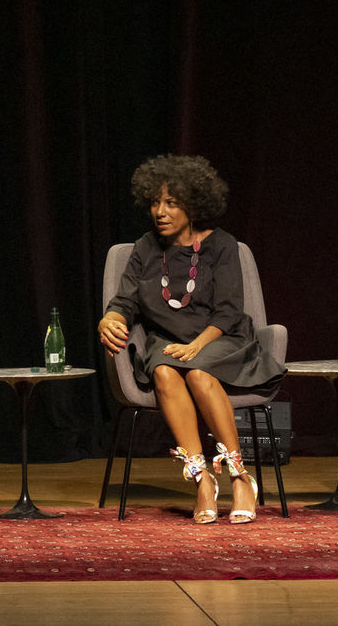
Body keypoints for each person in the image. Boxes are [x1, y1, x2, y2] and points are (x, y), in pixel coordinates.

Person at [98, 155, 285, 524]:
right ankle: (202, 480)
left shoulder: (222, 246)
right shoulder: (145, 249)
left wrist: (197, 346)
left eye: (171, 203)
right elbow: (124, 301)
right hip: (167, 345)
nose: (160, 212)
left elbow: (229, 311)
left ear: (194, 205)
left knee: (197, 373)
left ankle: (239, 475)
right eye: (155, 202)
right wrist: (110, 318)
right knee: (165, 372)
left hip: (223, 341)